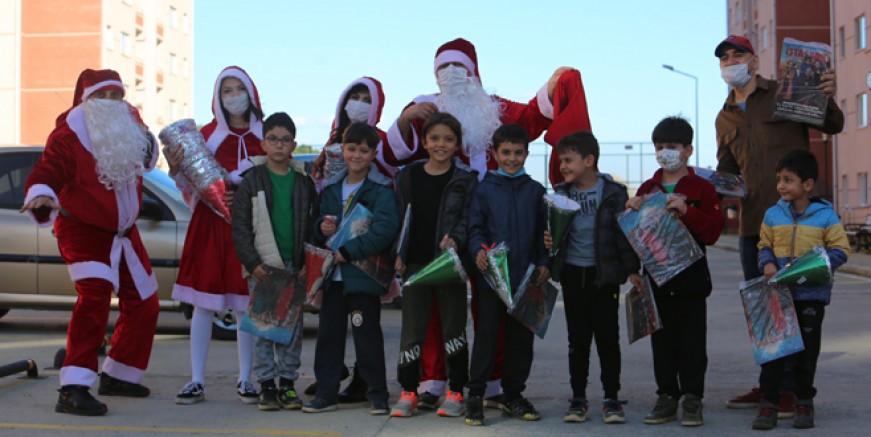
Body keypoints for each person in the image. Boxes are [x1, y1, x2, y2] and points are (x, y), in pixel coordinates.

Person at [387, 37, 589, 404]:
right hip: (442, 226)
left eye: (459, 67)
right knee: (436, 308)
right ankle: (434, 380)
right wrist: (404, 119)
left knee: (494, 306)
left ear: (475, 71)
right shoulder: (423, 107)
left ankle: (494, 381)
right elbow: (393, 153)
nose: (451, 75)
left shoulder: (499, 110)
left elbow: (532, 117)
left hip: (494, 226)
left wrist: (555, 83)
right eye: (443, 69)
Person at [714, 35, 844, 415]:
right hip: (756, 225)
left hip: (800, 224)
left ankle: (792, 391)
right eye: (724, 58)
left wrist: (828, 95)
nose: (730, 61)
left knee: (800, 310)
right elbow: (728, 169)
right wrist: (712, 186)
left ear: (754, 61)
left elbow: (832, 124)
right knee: (765, 309)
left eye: (738, 55)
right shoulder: (724, 116)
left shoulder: (785, 93)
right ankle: (769, 385)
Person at [20, 68, 160, 416]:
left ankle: (118, 373)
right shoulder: (70, 135)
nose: (112, 103)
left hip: (125, 233)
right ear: (87, 101)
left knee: (145, 301)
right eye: (103, 96)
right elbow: (47, 170)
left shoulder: (130, 125)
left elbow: (147, 155)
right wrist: (41, 194)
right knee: (95, 298)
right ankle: (73, 387)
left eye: (117, 95)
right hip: (83, 230)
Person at [166, 66, 266, 405]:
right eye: (227, 90)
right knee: (203, 304)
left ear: (252, 93)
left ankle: (246, 379)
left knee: (245, 306)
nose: (234, 96)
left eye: (240, 89)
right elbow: (188, 182)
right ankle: (195, 379)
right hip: (210, 228)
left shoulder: (266, 135)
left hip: (251, 230)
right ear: (217, 97)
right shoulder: (206, 134)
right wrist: (176, 165)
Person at [625, 117, 724, 427]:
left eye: (672, 147)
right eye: (659, 147)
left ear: (688, 150)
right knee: (663, 341)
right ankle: (667, 396)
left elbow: (712, 232)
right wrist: (632, 212)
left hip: (692, 278)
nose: (665, 152)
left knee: (693, 341)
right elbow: (635, 236)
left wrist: (687, 210)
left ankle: (693, 398)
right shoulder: (647, 188)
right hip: (656, 278)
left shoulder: (703, 188)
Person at [543, 131, 642, 424]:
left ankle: (611, 398)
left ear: (589, 161)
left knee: (608, 340)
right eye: (561, 160)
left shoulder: (613, 192)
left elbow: (623, 236)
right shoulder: (560, 195)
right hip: (573, 276)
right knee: (578, 341)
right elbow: (549, 234)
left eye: (568, 160)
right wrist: (547, 245)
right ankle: (578, 398)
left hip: (605, 278)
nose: (563, 166)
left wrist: (632, 270)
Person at [303, 122, 399, 415]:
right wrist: (322, 227)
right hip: (333, 278)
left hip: (363, 278)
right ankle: (326, 392)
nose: (357, 155)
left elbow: (384, 229)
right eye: (351, 148)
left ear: (373, 153)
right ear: (342, 150)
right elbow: (315, 226)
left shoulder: (380, 190)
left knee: (366, 335)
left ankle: (378, 393)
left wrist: (347, 251)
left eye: (364, 150)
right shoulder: (331, 188)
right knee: (329, 336)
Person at [752, 150, 850, 430]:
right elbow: (763, 245)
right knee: (774, 353)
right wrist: (768, 263)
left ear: (807, 185)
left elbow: (841, 250)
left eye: (788, 180)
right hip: (778, 296)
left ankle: (804, 402)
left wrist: (815, 267)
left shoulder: (825, 216)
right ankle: (768, 403)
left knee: (806, 354)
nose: (781, 185)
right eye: (779, 180)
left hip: (811, 297)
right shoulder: (772, 214)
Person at [390, 113, 478, 418]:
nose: (441, 144)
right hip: (414, 264)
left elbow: (469, 219)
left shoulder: (466, 180)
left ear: (457, 145)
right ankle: (408, 391)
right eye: (435, 138)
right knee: (412, 329)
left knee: (454, 329)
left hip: (449, 265)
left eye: (448, 139)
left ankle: (455, 392)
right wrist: (397, 253)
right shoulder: (407, 177)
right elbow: (399, 218)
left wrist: (456, 239)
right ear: (425, 142)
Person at [464, 124, 550, 426]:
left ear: (527, 154)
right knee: (486, 335)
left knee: (520, 341)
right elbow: (474, 228)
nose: (512, 158)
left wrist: (543, 262)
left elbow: (544, 234)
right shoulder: (484, 189)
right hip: (492, 279)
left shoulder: (536, 191)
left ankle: (513, 395)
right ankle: (475, 396)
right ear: (495, 154)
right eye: (506, 152)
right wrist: (478, 250)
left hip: (526, 279)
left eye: (518, 153)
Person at [231, 112, 318, 411]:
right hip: (263, 267)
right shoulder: (252, 179)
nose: (279, 145)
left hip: (294, 267)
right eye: (273, 139)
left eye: (285, 140)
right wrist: (251, 262)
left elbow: (312, 224)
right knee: (264, 331)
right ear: (263, 143)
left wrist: (308, 260)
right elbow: (240, 225)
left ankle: (288, 384)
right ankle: (267, 384)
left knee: (292, 330)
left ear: (293, 144)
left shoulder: (304, 181)